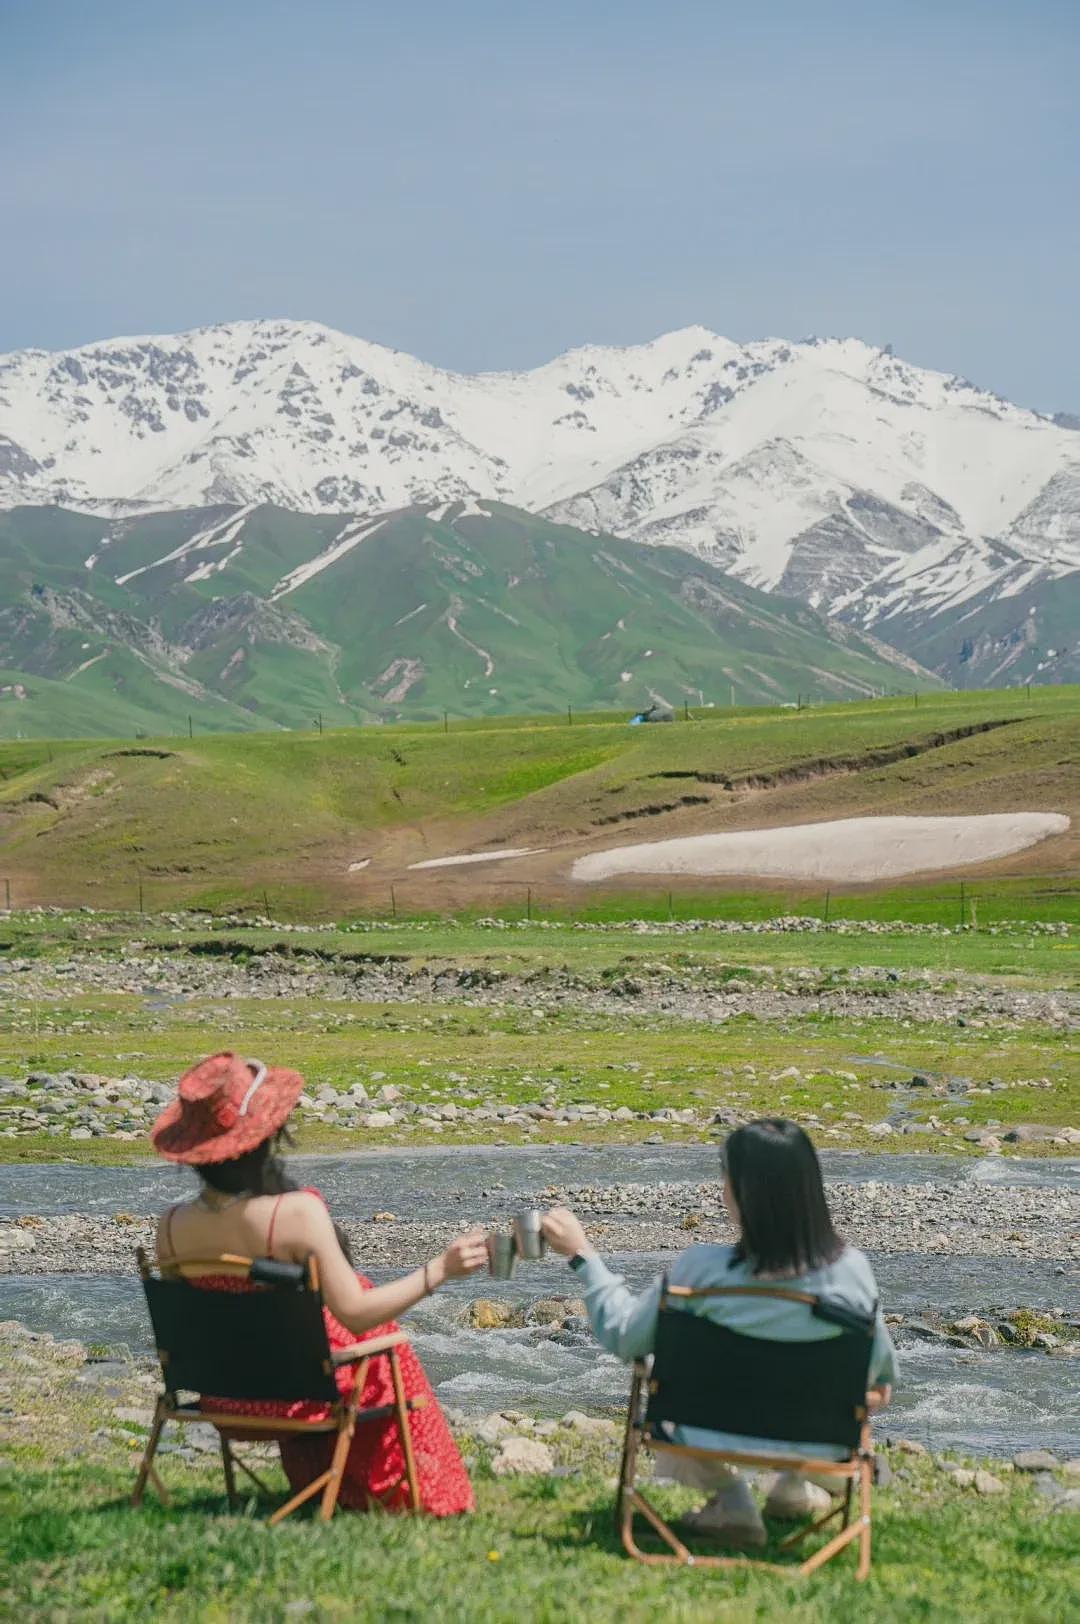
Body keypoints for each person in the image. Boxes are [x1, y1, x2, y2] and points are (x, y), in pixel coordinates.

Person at [151, 1052, 488, 1515]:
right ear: (267, 1136)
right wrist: (439, 1270)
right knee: (382, 1338)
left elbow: (204, 1320)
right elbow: (355, 1311)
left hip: (222, 1396)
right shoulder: (295, 1214)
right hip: (298, 1398)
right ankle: (416, 1495)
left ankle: (329, 1485)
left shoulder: (172, 1225)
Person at [542, 1117, 897, 1548]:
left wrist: (583, 1256)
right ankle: (793, 1485)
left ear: (741, 1193)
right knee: (849, 1393)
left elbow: (623, 1336)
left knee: (662, 1382)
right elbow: (880, 1380)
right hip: (820, 1440)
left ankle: (732, 1499)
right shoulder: (853, 1273)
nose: (720, 1189)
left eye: (725, 1178)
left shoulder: (699, 1270)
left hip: (699, 1437)